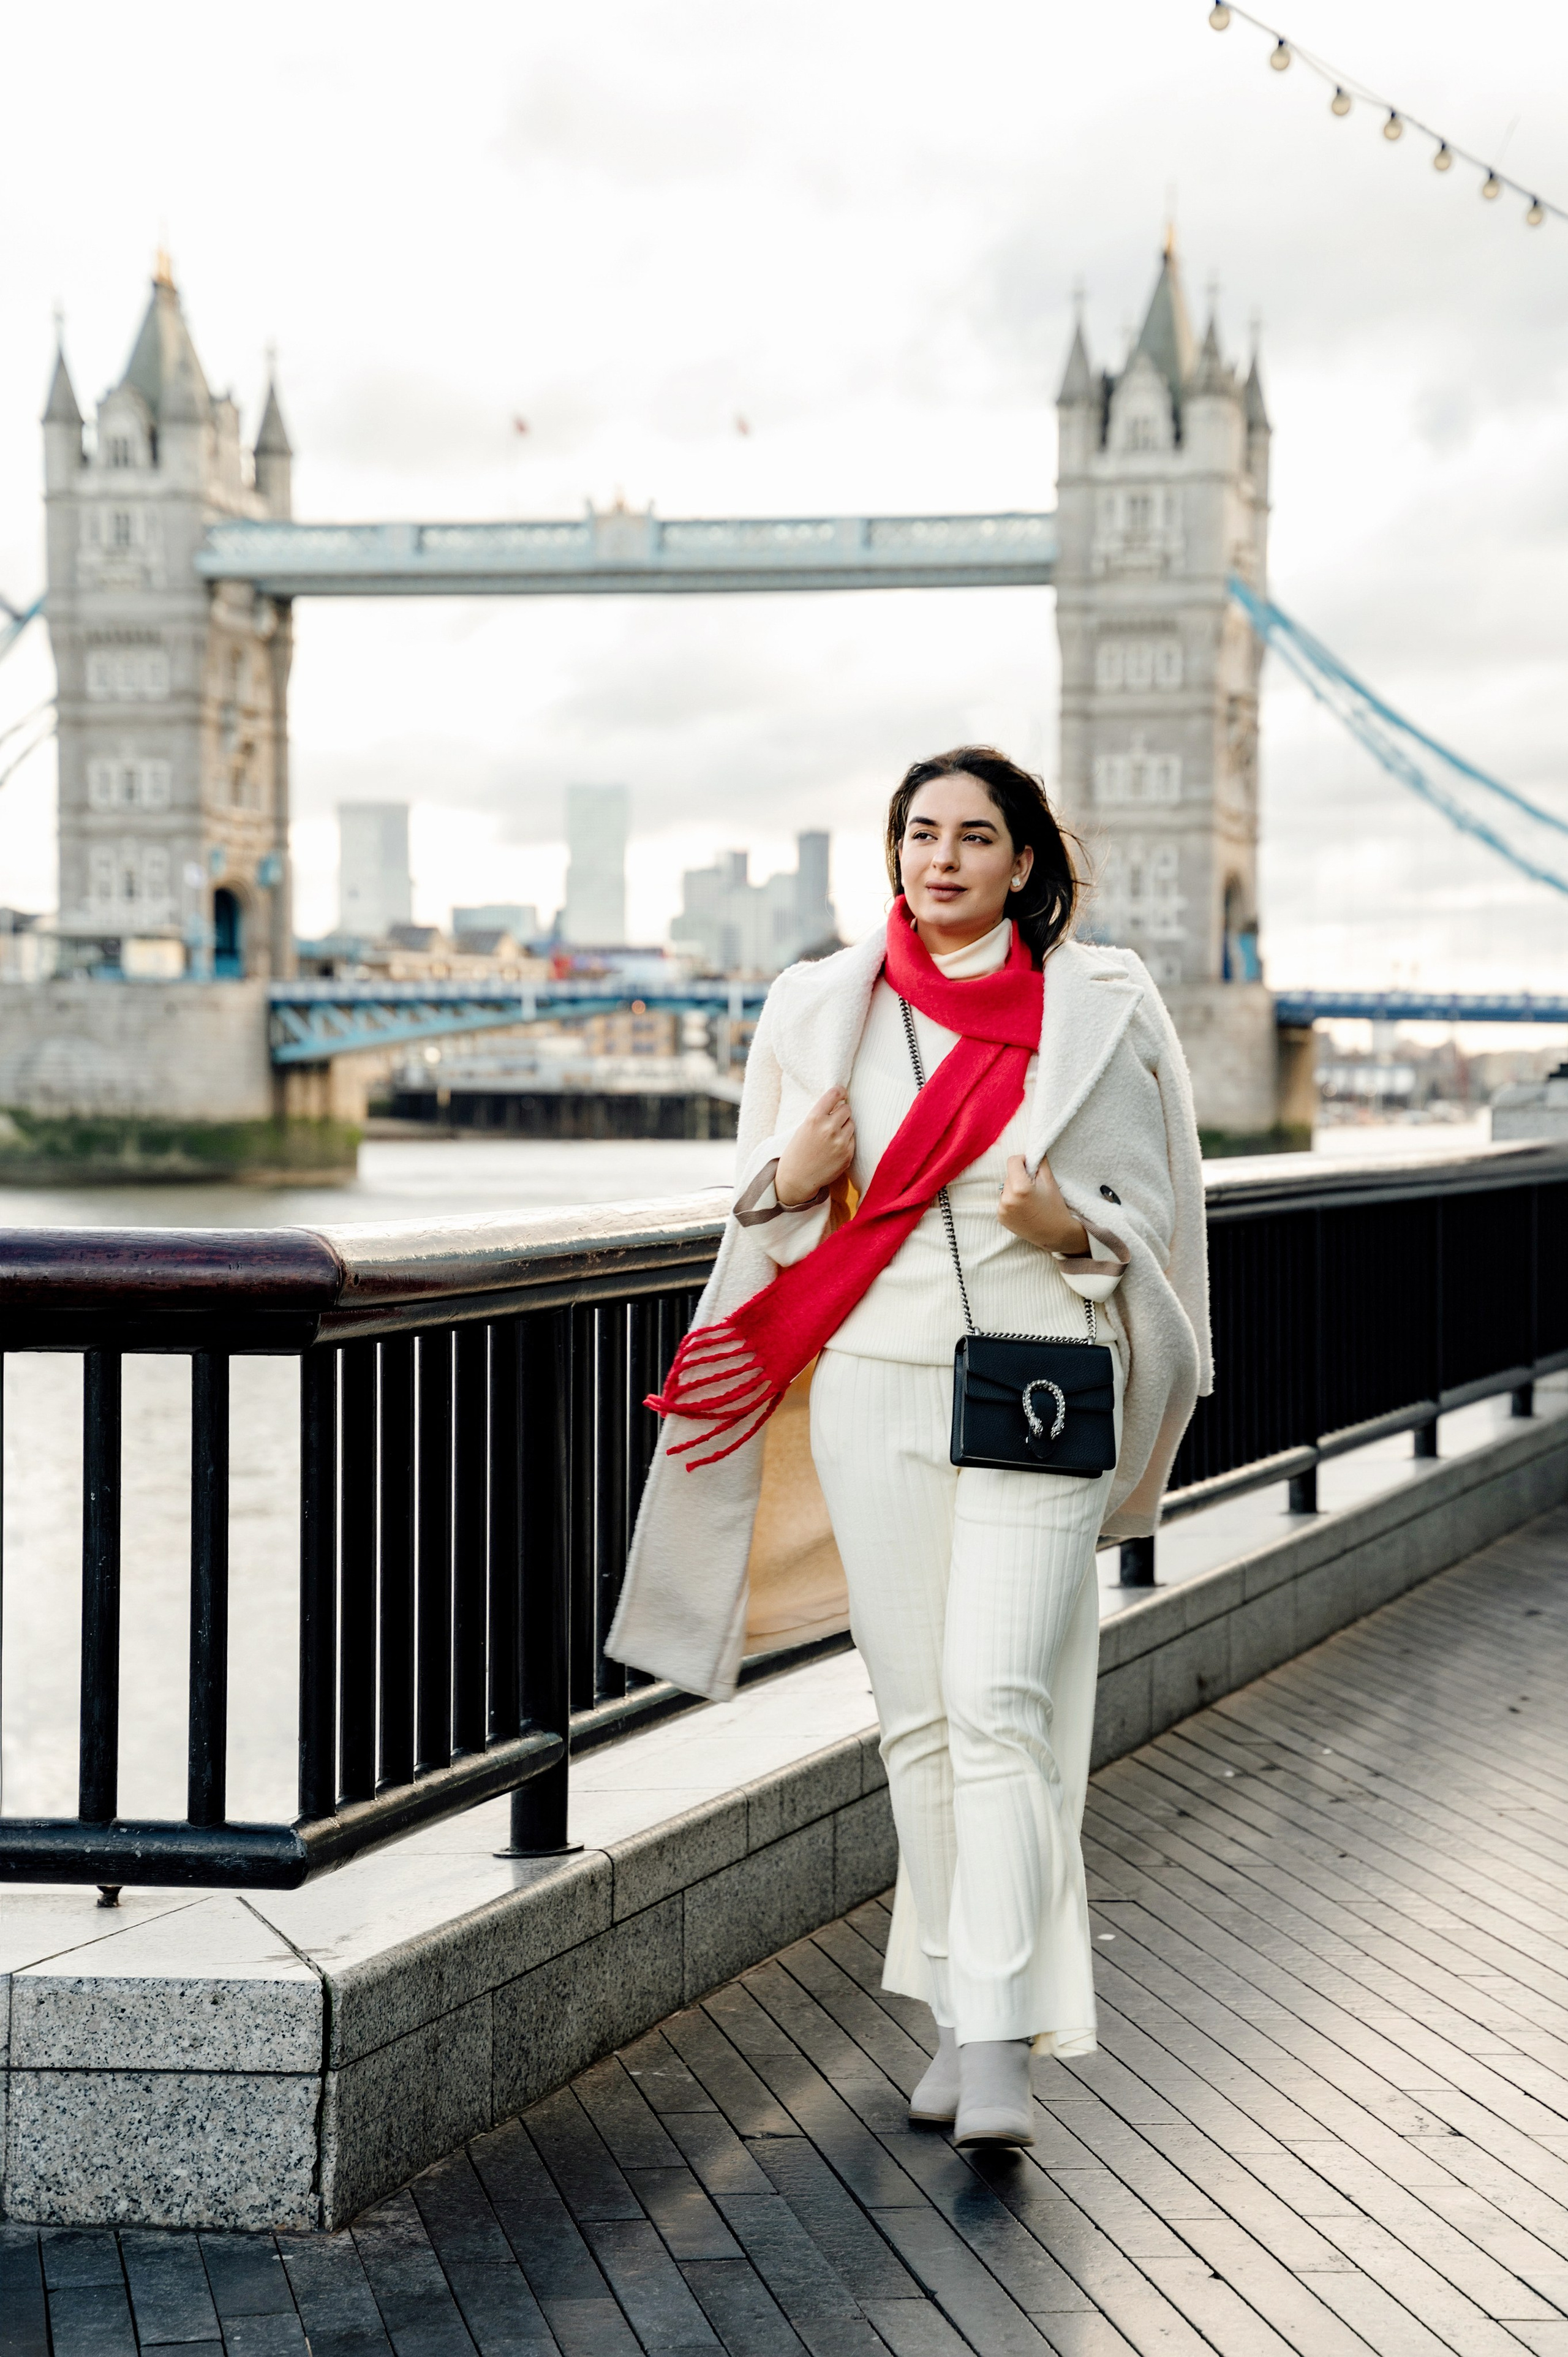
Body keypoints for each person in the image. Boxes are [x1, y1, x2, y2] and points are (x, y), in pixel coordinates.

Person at [609, 747, 1210, 2146]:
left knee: (1001, 1701)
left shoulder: (1102, 1006)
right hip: (872, 1384)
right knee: (924, 1722)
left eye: (974, 836)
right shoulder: (817, 1005)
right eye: (920, 832)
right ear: (896, 852)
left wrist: (1077, 1234)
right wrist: (786, 1179)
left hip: (1041, 1382)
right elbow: (760, 1202)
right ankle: (953, 2010)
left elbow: (1163, 1215)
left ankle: (994, 2047)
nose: (941, 858)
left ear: (1022, 864)